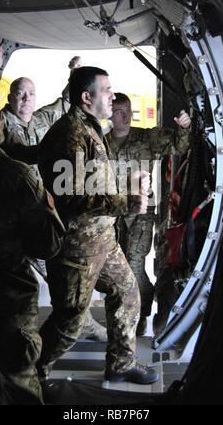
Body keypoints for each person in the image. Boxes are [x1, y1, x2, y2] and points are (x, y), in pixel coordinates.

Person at [37, 66, 159, 396]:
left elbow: (93, 181)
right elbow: (72, 195)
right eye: (106, 90)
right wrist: (126, 201)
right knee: (69, 321)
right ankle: (31, 373)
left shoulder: (91, 129)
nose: (112, 95)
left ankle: (121, 364)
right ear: (87, 97)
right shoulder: (71, 135)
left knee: (127, 292)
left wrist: (128, 185)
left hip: (102, 239)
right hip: (77, 247)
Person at [0, 80, 65, 405]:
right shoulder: (18, 177)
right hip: (5, 303)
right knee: (22, 390)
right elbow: (47, 246)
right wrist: (49, 204)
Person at [1, 76, 106, 341]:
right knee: (19, 283)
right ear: (9, 97)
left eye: (31, 94)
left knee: (58, 272)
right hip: (10, 218)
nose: (26, 99)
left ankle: (80, 322)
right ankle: (23, 341)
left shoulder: (40, 119)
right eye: (20, 94)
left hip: (39, 213)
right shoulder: (0, 124)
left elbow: (63, 103)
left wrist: (75, 74)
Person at [106, 93, 192, 335]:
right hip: (113, 215)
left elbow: (179, 144)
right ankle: (127, 309)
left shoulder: (145, 137)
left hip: (142, 213)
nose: (125, 116)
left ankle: (141, 313)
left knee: (133, 264)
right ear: (109, 114)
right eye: (119, 111)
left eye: (128, 110)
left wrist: (184, 128)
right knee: (117, 269)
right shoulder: (101, 143)